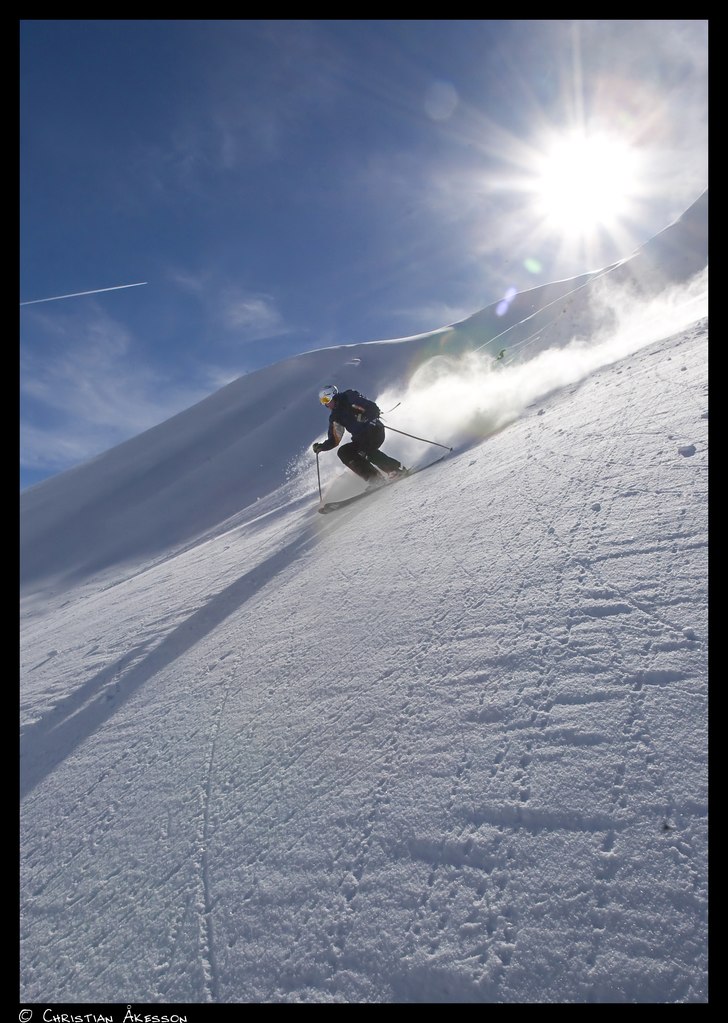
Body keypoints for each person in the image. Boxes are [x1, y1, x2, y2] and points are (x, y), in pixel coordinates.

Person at [312, 384, 408, 485]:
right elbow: (334, 439)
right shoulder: (335, 417)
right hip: (360, 438)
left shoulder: (349, 397)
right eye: (323, 402)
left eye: (326, 400)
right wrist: (322, 447)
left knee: (365, 450)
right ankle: (375, 479)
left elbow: (372, 407)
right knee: (344, 452)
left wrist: (367, 417)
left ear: (333, 395)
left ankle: (396, 470)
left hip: (374, 429)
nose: (326, 405)